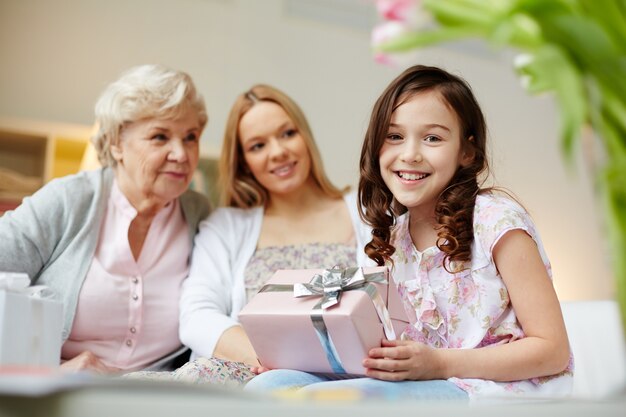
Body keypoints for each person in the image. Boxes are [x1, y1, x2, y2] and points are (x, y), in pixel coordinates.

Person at [245, 65, 573, 401]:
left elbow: (553, 350)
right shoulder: (391, 239)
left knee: (350, 399)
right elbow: (376, 353)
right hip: (422, 382)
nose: (410, 154)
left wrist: (439, 364)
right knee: (266, 387)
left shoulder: (497, 223)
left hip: (496, 391)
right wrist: (296, 364)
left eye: (432, 138)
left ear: (467, 151)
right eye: (394, 136)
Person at [0, 64, 210, 373]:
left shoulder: (199, 214)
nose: (181, 153)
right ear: (116, 143)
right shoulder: (68, 200)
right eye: (159, 137)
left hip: (156, 395)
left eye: (190, 137)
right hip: (55, 389)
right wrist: (45, 374)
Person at [178, 84, 373, 378]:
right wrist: (269, 362)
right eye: (258, 146)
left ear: (305, 136)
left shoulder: (367, 213)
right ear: (244, 162)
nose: (278, 152)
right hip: (248, 378)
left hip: (345, 384)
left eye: (287, 134)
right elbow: (196, 315)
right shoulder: (226, 227)